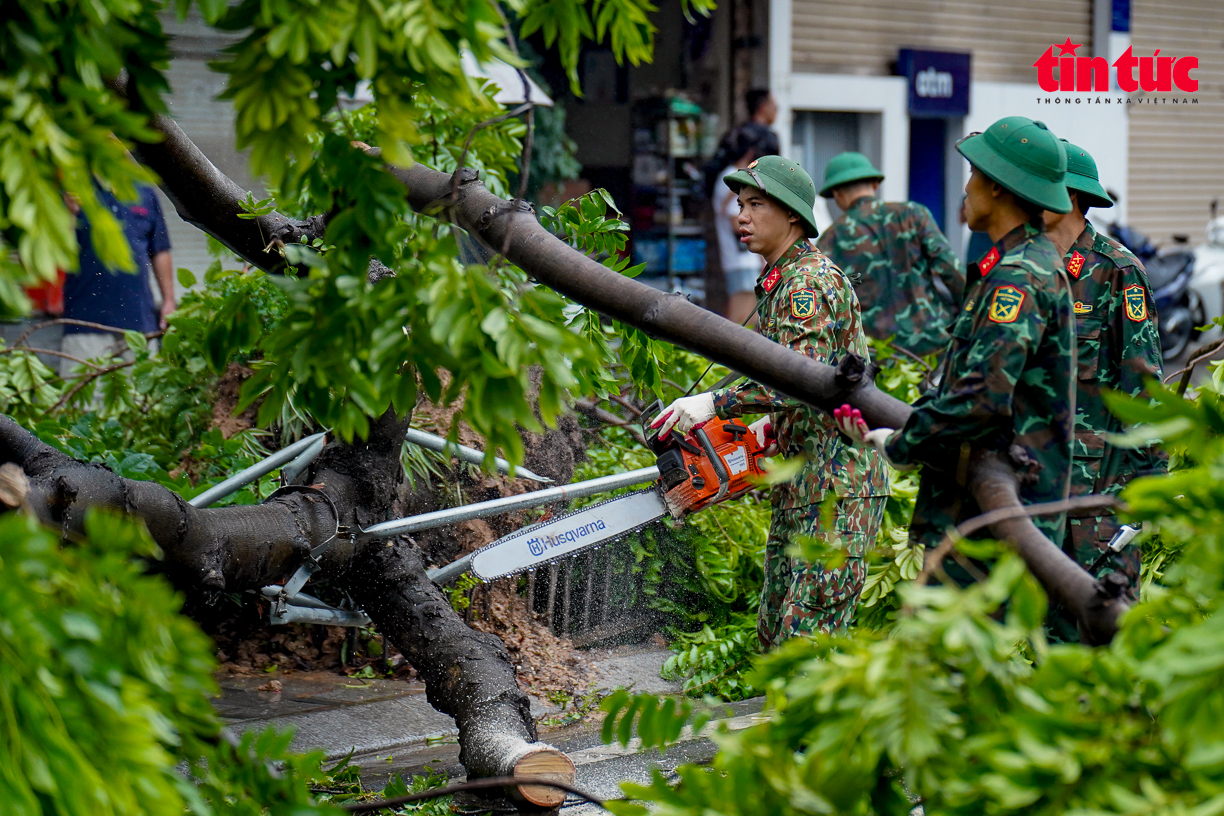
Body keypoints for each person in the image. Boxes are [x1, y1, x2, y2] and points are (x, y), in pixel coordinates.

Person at [651, 155, 889, 647]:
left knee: (807, 641)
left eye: (756, 204)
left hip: (838, 487)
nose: (741, 216)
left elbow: (802, 377)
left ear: (793, 215)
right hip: (805, 481)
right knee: (775, 635)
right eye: (741, 204)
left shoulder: (805, 284)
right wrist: (770, 429)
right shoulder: (782, 282)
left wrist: (716, 403)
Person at [835, 116, 1076, 556]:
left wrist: (900, 444)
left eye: (973, 175)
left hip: (997, 521)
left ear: (998, 186)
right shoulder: (1011, 266)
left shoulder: (1018, 278)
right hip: (984, 506)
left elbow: (981, 397)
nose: (966, 189)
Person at [1040, 141, 1165, 604]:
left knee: (1098, 632)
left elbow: (1145, 390)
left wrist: (1148, 494)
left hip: (1099, 504)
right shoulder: (1030, 270)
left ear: (1069, 198)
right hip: (1039, 492)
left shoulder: (1115, 271)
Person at [816, 152, 966, 358]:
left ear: (837, 194)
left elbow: (826, 301)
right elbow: (951, 270)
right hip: (933, 341)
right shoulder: (913, 214)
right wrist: (972, 316)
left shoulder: (831, 238)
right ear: (875, 184)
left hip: (879, 352)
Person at [61, 181, 176, 376]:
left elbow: (160, 250)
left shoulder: (144, 193)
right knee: (81, 403)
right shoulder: (72, 189)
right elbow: (56, 253)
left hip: (139, 322)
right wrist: (68, 216)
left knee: (143, 399)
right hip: (85, 321)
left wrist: (169, 301)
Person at [713, 129, 770, 324]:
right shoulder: (732, 179)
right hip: (740, 261)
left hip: (746, 261)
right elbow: (735, 222)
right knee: (740, 320)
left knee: (749, 319)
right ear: (750, 154)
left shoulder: (732, 178)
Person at [703, 89, 780, 200]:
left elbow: (713, 169)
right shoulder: (768, 138)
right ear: (763, 107)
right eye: (775, 107)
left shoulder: (733, 134)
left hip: (725, 198)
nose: (776, 111)